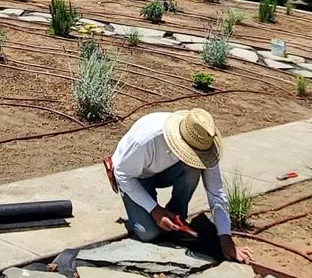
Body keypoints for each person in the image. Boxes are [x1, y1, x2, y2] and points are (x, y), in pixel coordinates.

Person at [105, 108, 254, 263]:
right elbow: (123, 175)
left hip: (164, 170)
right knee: (148, 233)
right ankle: (160, 216)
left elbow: (216, 191)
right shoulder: (145, 141)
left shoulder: (205, 143)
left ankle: (176, 217)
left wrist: (225, 236)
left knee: (194, 168)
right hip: (135, 176)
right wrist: (155, 210)